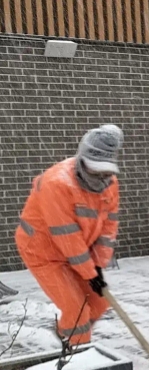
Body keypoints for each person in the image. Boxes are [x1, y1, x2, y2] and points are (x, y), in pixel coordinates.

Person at [16, 125, 122, 346]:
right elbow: (67, 236)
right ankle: (77, 357)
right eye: (95, 169)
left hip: (77, 252)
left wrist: (98, 267)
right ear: (82, 160)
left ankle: (65, 332)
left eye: (104, 170)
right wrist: (90, 274)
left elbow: (108, 228)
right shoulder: (57, 184)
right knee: (77, 310)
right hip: (43, 252)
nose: (100, 176)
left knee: (100, 302)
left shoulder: (109, 183)